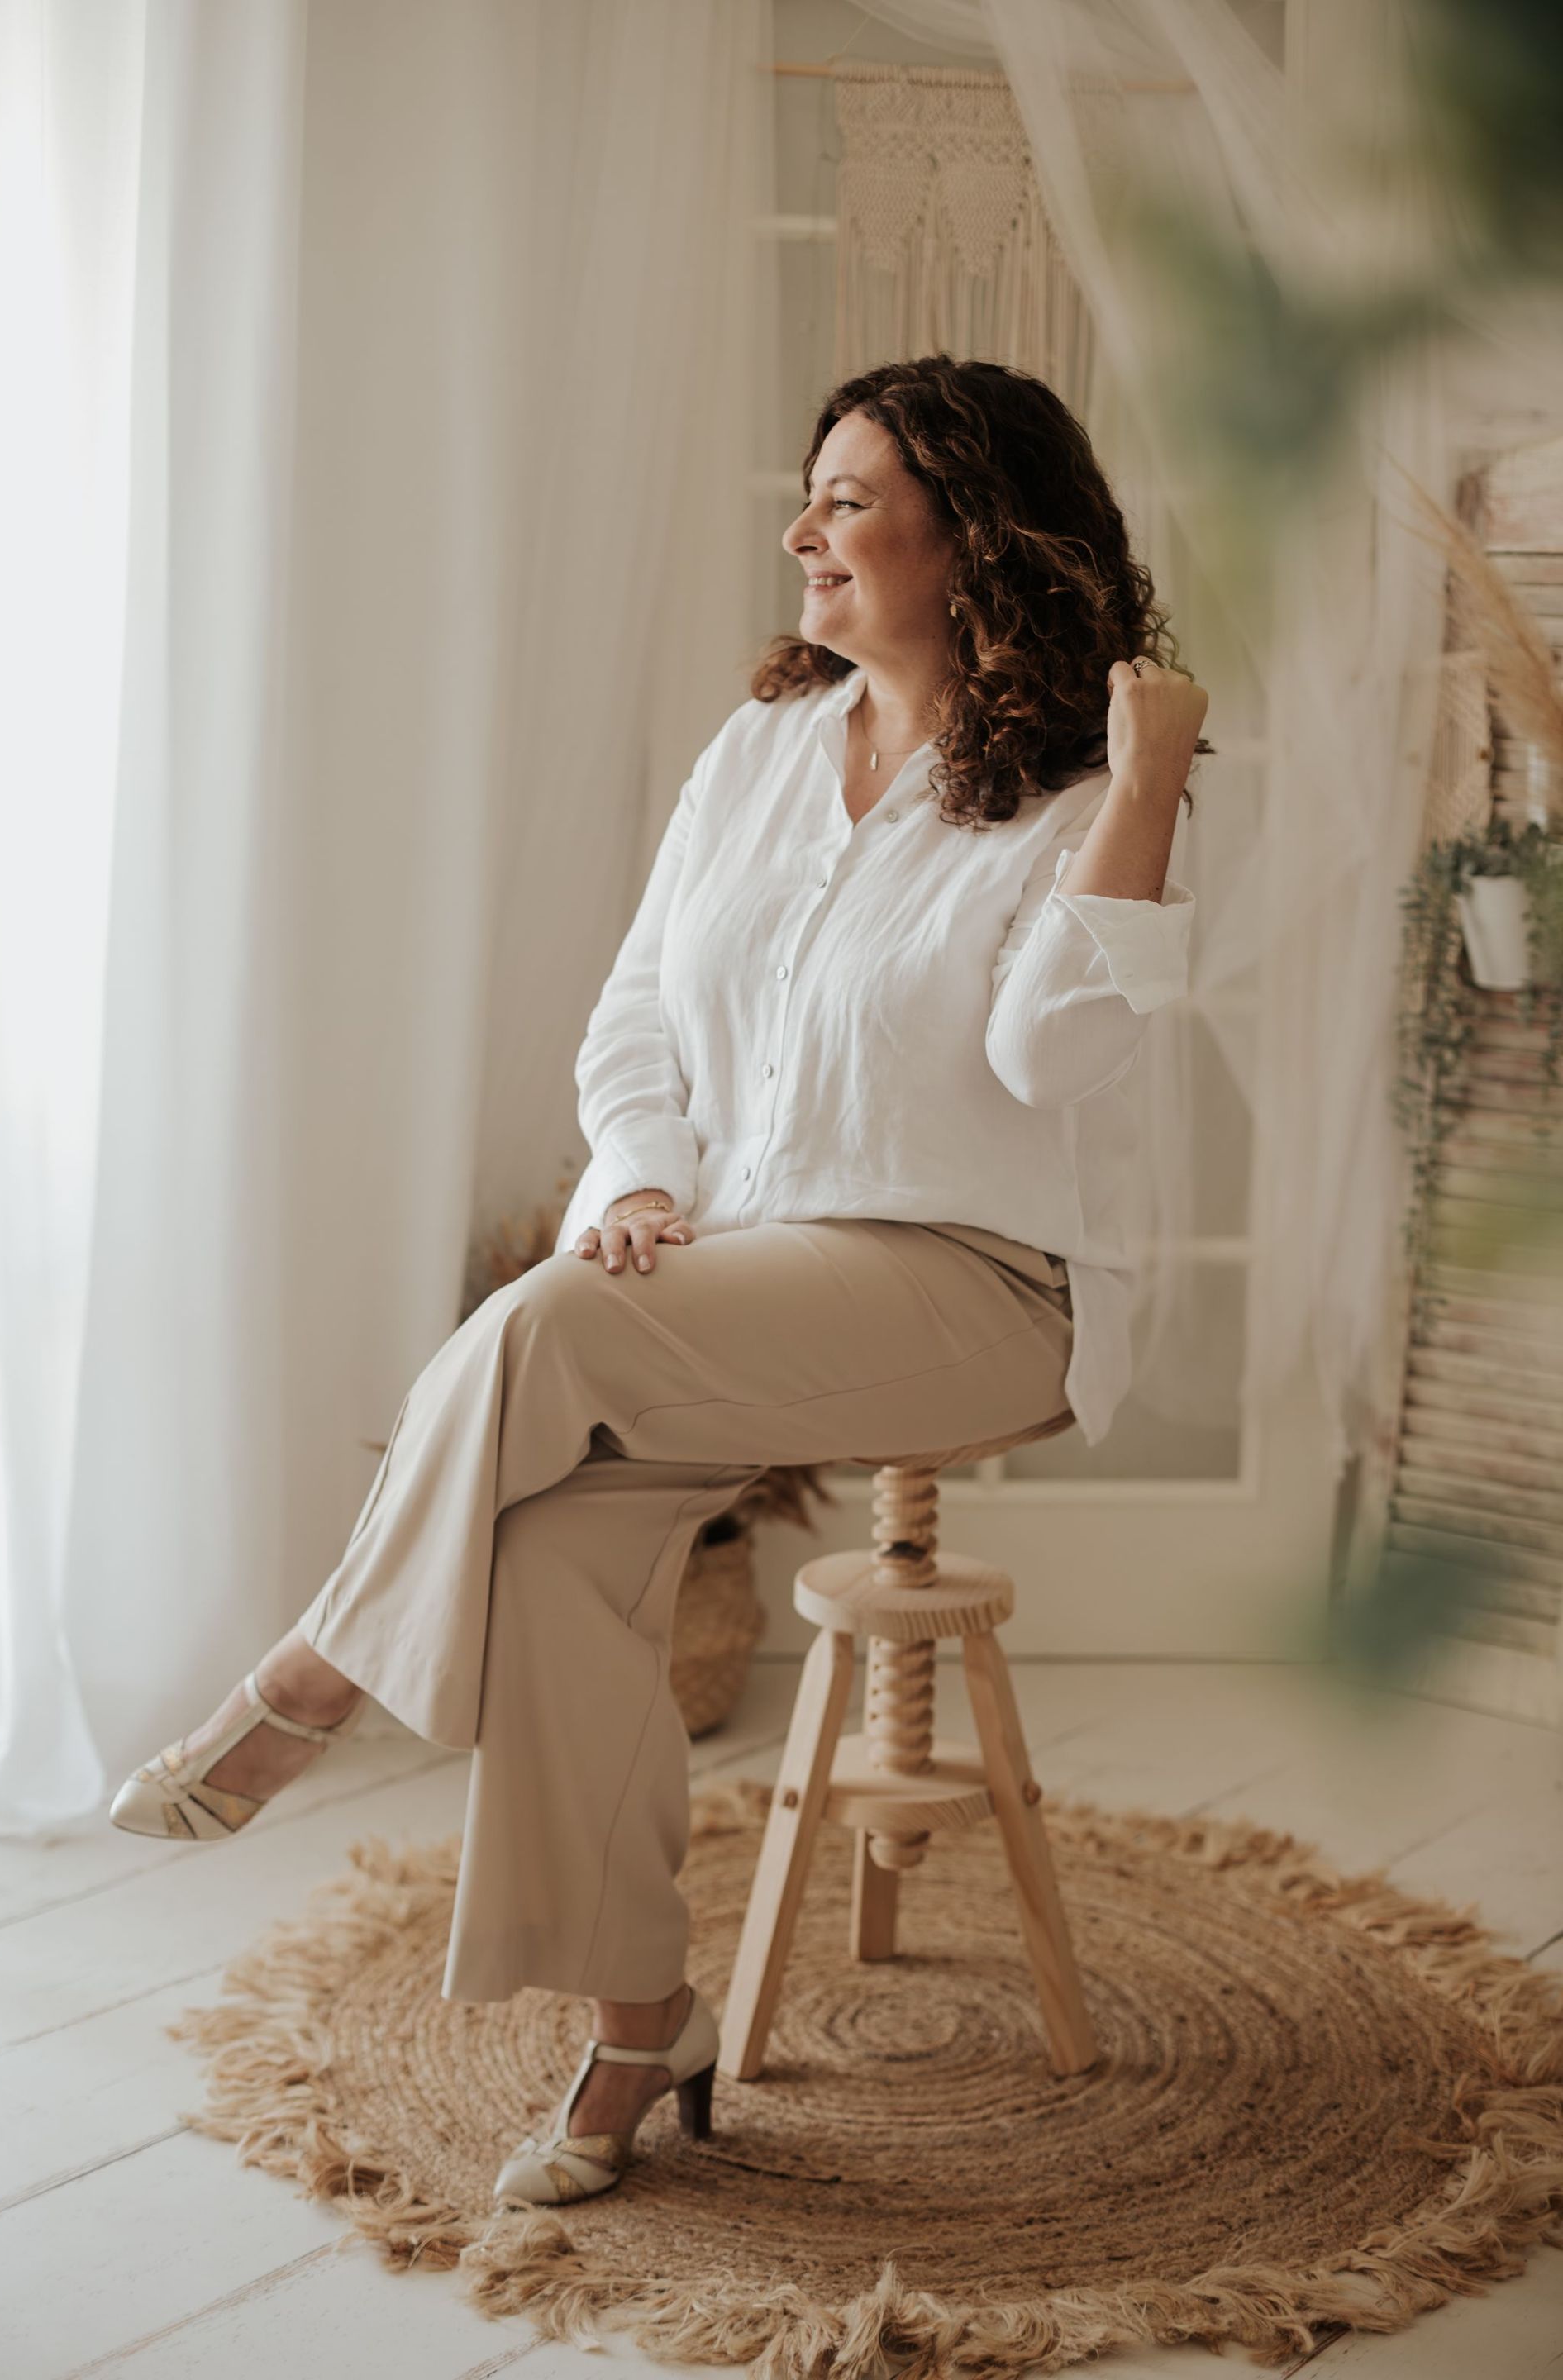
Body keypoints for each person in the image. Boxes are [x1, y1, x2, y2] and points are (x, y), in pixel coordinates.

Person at [109, 355, 1207, 2206]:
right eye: (811, 492)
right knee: (549, 1552)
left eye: (851, 501)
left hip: (987, 1283)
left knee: (542, 1326)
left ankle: (307, 1678)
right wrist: (634, 1181)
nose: (803, 531)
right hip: (747, 1270)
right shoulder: (764, 747)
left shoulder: (1094, 787)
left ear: (974, 541)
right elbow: (639, 1019)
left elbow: (1052, 1063)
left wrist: (1156, 769)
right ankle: (640, 2027)